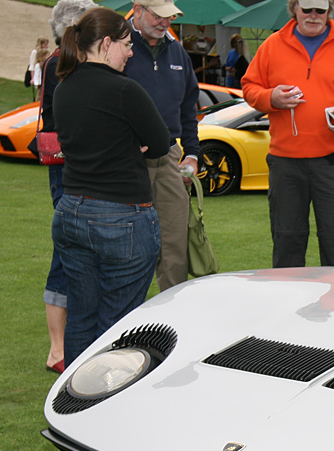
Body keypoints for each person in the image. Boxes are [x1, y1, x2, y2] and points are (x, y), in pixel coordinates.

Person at [51, 7, 169, 365]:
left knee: (82, 317)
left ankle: (74, 403)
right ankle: (105, 406)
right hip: (122, 217)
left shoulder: (64, 86)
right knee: (119, 323)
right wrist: (133, 141)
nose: (131, 51)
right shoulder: (124, 91)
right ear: (105, 44)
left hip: (71, 211)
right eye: (126, 44)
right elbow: (161, 142)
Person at [241, 0, 334, 268]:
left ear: (329, 11)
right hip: (286, 163)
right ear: (294, 8)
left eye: (320, 10)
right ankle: (287, 306)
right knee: (287, 241)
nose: (314, 16)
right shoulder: (272, 45)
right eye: (307, 10)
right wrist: (272, 97)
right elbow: (249, 87)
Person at [39, 0, 100, 374]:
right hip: (68, 169)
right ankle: (57, 348)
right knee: (67, 251)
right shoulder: (59, 64)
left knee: (82, 252)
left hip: (87, 168)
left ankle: (73, 341)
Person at [124, 0, 200, 292]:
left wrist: (192, 153)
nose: (165, 22)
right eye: (158, 15)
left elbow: (188, 107)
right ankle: (126, 322)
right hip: (128, 158)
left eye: (170, 17)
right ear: (138, 9)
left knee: (174, 244)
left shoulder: (177, 50)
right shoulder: (118, 45)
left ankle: (174, 318)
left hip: (168, 156)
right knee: (128, 243)